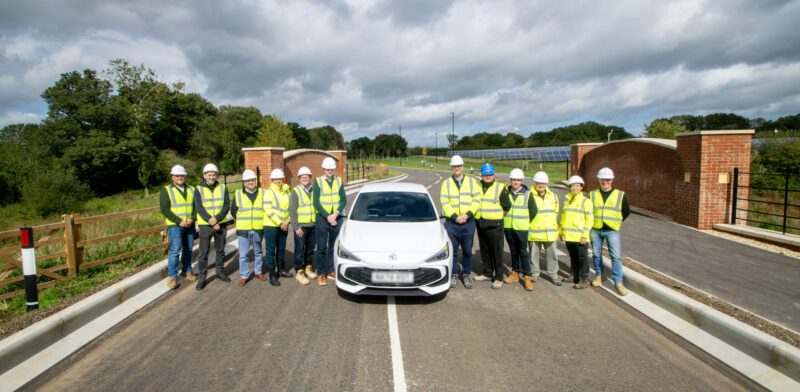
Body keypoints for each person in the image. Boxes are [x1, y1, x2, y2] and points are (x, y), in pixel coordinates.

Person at [440, 155, 480, 289]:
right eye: (454, 166)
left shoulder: (471, 182)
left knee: (468, 250)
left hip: (468, 222)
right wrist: (454, 216)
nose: (457, 168)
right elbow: (444, 202)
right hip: (452, 223)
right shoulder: (446, 183)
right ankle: (454, 274)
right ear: (451, 167)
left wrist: (468, 215)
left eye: (459, 166)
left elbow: (476, 200)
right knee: (453, 251)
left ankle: (466, 274)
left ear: (462, 167)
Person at [590, 167, 631, 296]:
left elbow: (626, 211)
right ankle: (599, 275)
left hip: (612, 230)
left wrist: (616, 222)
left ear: (612, 180)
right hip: (596, 229)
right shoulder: (593, 194)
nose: (605, 182)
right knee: (596, 254)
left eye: (607, 179)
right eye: (603, 179)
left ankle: (618, 282)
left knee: (615, 256)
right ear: (599, 180)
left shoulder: (619, 194)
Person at [194, 163, 231, 290]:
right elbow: (199, 207)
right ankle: (202, 278)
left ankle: (220, 271)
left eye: (213, 174)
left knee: (220, 250)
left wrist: (217, 219)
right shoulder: (198, 189)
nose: (211, 176)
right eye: (209, 174)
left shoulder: (222, 187)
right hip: (206, 225)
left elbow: (226, 205)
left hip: (220, 223)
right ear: (204, 176)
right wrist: (211, 221)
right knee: (203, 252)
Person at [160, 165, 197, 289]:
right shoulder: (167, 191)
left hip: (189, 224)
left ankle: (187, 271)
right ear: (172, 177)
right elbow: (165, 209)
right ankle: (172, 276)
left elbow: (197, 206)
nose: (180, 177)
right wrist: (179, 221)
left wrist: (192, 218)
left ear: (185, 176)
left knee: (189, 249)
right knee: (175, 251)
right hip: (175, 226)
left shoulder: (191, 189)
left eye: (182, 175)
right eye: (177, 176)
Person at [474, 163, 510, 289]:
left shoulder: (500, 187)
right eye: (485, 174)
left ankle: (499, 277)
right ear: (482, 175)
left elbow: (507, 206)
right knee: (485, 250)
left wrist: (497, 217)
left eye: (490, 174)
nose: (488, 176)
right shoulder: (478, 187)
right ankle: (487, 273)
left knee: (497, 252)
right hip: (481, 224)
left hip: (495, 225)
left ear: (493, 175)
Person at [313, 157, 346, 285]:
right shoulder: (318, 181)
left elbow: (343, 199)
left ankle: (331, 270)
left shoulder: (339, 181)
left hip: (336, 217)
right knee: (321, 247)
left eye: (332, 169)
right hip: (322, 218)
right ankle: (321, 273)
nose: (330, 171)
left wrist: (336, 213)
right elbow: (316, 202)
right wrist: (328, 216)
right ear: (323, 169)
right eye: (327, 169)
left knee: (333, 246)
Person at [231, 169, 265, 287]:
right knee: (244, 254)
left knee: (258, 251)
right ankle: (244, 275)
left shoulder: (263, 193)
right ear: (244, 182)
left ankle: (258, 271)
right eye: (248, 180)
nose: (250, 182)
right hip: (243, 229)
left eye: (252, 180)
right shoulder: (238, 194)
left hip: (258, 228)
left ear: (255, 181)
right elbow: (233, 211)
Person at [559, 175, 594, 289]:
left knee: (582, 259)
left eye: (577, 186)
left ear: (581, 187)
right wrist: (561, 231)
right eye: (573, 186)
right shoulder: (568, 200)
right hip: (569, 236)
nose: (575, 188)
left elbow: (589, 220)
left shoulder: (585, 201)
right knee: (573, 257)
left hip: (580, 237)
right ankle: (574, 276)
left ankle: (584, 280)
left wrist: (585, 235)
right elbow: (564, 217)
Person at [503, 168, 534, 291]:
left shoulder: (527, 194)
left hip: (521, 228)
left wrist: (525, 222)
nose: (515, 182)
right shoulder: (506, 192)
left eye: (518, 180)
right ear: (510, 180)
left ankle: (527, 276)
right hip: (508, 226)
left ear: (521, 181)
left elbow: (533, 211)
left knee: (523, 252)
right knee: (513, 251)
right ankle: (515, 273)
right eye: (514, 180)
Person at [528, 171, 561, 286]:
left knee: (552, 255)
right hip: (534, 230)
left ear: (546, 183)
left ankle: (553, 275)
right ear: (535, 183)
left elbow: (555, 212)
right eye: (539, 183)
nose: (541, 185)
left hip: (550, 231)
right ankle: (534, 273)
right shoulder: (529, 195)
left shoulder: (553, 196)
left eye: (543, 183)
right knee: (533, 255)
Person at [290, 166, 318, 285]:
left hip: (313, 225)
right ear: (299, 178)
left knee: (310, 249)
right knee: (300, 250)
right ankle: (299, 272)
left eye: (307, 176)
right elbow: (292, 210)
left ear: (310, 177)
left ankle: (308, 268)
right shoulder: (295, 191)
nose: (305, 178)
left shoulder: (314, 190)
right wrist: (296, 227)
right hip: (301, 227)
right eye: (303, 177)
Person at [263, 168, 291, 286]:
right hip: (271, 225)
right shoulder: (269, 192)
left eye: (280, 179)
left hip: (284, 224)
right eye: (276, 179)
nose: (278, 181)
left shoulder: (287, 191)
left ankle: (281, 269)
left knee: (281, 248)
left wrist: (287, 221)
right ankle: (272, 274)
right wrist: (280, 222)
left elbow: (290, 208)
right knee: (270, 250)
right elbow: (268, 209)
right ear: (272, 180)